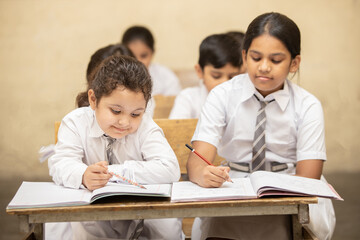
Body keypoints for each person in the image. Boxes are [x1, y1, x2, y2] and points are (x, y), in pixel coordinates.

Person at [187, 12, 335, 240]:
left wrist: (272, 190)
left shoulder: (307, 105)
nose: (264, 67)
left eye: (276, 60)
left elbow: (308, 180)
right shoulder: (222, 95)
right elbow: (198, 160)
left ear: (294, 63)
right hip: (233, 187)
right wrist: (203, 173)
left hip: (289, 190)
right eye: (256, 58)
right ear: (245, 56)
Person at [47, 55, 184, 240]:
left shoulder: (146, 127)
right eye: (116, 111)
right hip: (92, 214)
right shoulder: (75, 123)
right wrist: (83, 175)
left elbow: (170, 168)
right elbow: (61, 163)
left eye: (136, 113)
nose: (125, 122)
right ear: (93, 99)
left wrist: (117, 173)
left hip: (141, 213)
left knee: (165, 226)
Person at [169, 33, 244, 119]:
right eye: (216, 76)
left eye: (232, 77)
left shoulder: (243, 99)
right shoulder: (188, 98)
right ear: (199, 71)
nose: (225, 83)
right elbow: (175, 128)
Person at [121, 25, 182, 96]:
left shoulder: (167, 77)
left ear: (152, 52)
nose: (138, 62)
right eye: (132, 56)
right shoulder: (117, 78)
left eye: (143, 56)